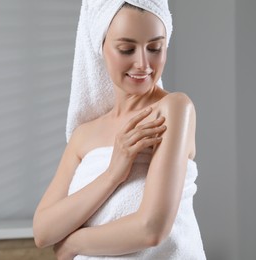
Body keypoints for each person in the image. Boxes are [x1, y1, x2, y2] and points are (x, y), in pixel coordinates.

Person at [33, 0, 206, 259]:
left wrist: (74, 243)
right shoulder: (84, 135)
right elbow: (43, 231)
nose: (143, 64)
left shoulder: (173, 109)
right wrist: (114, 172)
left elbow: (151, 229)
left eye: (155, 48)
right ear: (101, 46)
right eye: (126, 49)